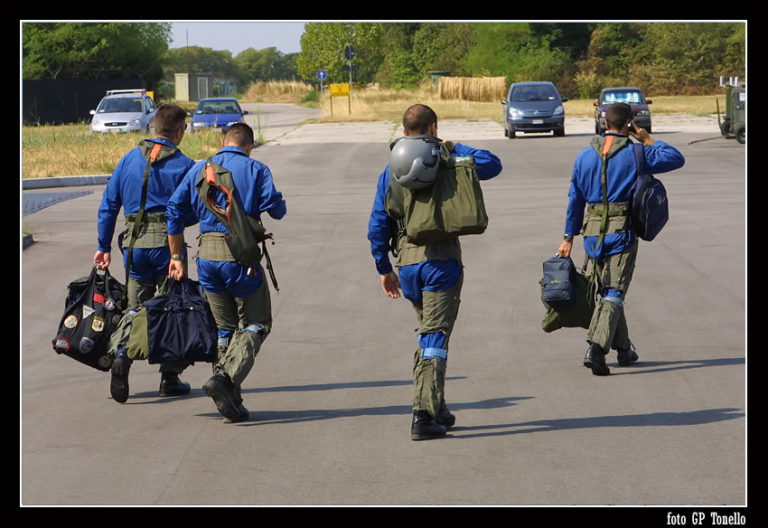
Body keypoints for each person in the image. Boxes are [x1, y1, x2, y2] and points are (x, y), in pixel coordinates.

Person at [367, 104, 502, 440]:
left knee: (428, 333)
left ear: (403, 132)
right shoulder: (447, 159)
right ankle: (423, 415)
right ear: (433, 127)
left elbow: (377, 224)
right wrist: (453, 146)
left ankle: (437, 405)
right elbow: (492, 164)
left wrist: (384, 268)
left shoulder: (391, 170)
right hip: (441, 262)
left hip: (408, 265)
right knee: (435, 337)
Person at [166, 123, 286, 423]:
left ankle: (230, 400)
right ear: (250, 146)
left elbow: (174, 210)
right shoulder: (257, 169)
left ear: (223, 142)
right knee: (257, 324)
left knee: (224, 327)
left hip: (206, 256)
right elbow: (277, 210)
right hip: (240, 256)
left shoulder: (199, 169)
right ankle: (225, 379)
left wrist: (176, 256)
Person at [557, 102, 685, 376]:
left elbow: (574, 200)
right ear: (630, 124)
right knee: (615, 292)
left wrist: (568, 236)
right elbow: (675, 157)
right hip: (621, 232)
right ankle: (596, 347)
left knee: (608, 290)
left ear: (605, 123)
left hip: (592, 234)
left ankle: (624, 349)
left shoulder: (583, 157)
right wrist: (646, 138)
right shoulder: (637, 153)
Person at [94, 103, 196, 403]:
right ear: (179, 132)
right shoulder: (185, 164)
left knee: (135, 307)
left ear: (154, 127)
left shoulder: (128, 159)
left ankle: (122, 355)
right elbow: (195, 208)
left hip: (134, 247)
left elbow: (108, 205)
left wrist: (103, 246)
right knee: (172, 308)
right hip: (168, 248)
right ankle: (170, 377)